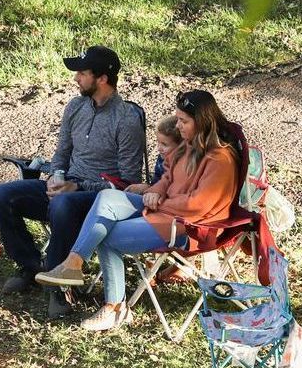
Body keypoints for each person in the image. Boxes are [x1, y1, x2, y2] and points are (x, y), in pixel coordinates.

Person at [37, 89, 236, 333]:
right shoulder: (189, 146)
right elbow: (168, 177)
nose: (179, 125)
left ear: (202, 121)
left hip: (189, 226)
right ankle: (73, 263)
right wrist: (157, 190)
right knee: (107, 196)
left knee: (107, 235)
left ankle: (115, 308)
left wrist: (158, 202)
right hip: (165, 211)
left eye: (184, 121)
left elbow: (198, 206)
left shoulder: (220, 159)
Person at [0, 45, 147, 320]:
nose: (76, 79)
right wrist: (57, 176)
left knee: (63, 205)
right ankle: (31, 267)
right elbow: (61, 154)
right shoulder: (75, 106)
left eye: (82, 73)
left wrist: (79, 188)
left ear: (103, 79)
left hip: (98, 200)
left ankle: (61, 287)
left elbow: (127, 182)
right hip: (66, 186)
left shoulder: (126, 119)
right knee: (1, 195)